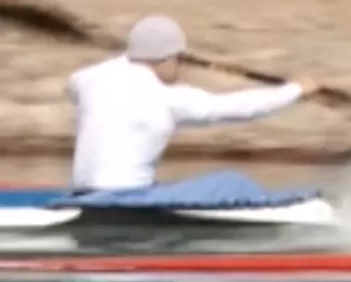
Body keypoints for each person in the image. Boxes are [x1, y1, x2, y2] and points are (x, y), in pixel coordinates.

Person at [67, 14, 321, 191]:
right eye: (179, 60)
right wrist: (295, 90)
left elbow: (77, 84)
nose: (180, 68)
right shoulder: (169, 99)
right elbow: (239, 108)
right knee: (230, 183)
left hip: (82, 194)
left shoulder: (88, 79)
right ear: (168, 58)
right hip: (124, 200)